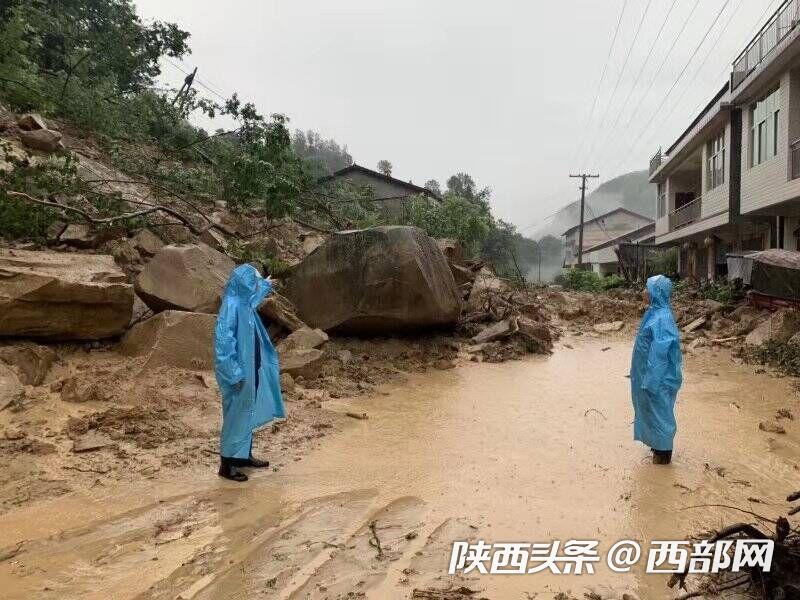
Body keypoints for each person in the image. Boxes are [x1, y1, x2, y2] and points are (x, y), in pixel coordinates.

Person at [214, 264, 285, 482]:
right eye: (253, 281)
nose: (254, 284)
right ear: (243, 282)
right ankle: (227, 464)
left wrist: (265, 285)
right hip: (238, 371)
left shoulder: (244, 303)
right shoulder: (231, 305)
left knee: (247, 411)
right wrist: (233, 372)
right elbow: (224, 342)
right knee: (236, 415)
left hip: (250, 366)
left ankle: (244, 456)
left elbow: (253, 300)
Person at [630, 274, 683, 465]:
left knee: (660, 415)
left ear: (655, 292)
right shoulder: (654, 313)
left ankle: (662, 458)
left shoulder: (662, 318)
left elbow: (660, 353)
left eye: (647, 288)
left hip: (657, 379)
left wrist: (650, 381)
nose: (644, 292)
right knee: (654, 413)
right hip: (649, 376)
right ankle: (657, 448)